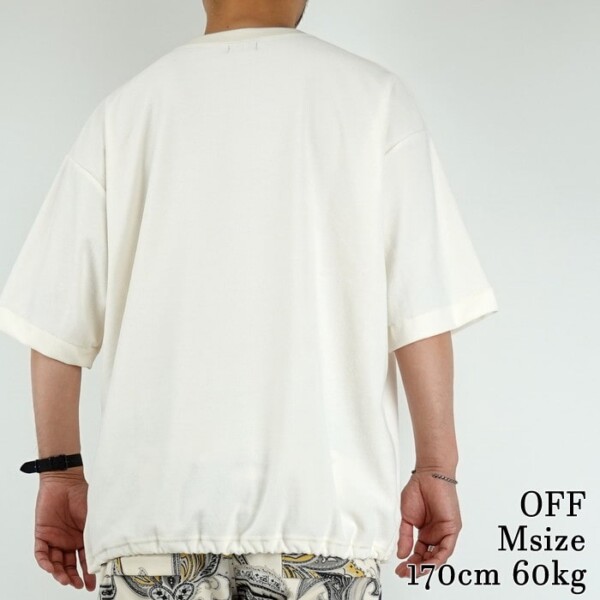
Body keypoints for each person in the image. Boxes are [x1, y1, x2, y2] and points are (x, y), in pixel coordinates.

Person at [0, 0, 499, 598]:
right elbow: (421, 311)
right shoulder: (375, 101)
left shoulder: (125, 112)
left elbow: (54, 324)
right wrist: (437, 467)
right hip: (322, 524)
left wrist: (60, 474)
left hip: (150, 526)